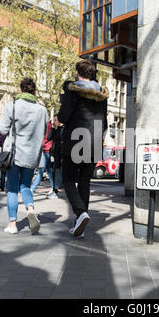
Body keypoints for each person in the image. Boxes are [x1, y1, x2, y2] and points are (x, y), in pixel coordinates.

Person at [58, 60, 108, 238]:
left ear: (78, 72)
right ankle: (80, 225)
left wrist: (60, 114)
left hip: (75, 140)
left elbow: (64, 117)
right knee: (85, 182)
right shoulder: (102, 95)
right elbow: (105, 123)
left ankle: (81, 213)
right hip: (93, 141)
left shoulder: (73, 91)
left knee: (68, 180)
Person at [0, 77, 48, 235]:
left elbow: (3, 130)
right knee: (25, 186)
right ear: (34, 91)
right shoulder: (42, 110)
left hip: (14, 154)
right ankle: (31, 209)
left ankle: (13, 224)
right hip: (32, 154)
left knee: (12, 189)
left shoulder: (12, 106)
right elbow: (45, 131)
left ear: (21, 90)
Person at [30, 119, 56, 198]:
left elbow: (43, 138)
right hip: (47, 150)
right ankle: (54, 188)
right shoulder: (49, 126)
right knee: (49, 171)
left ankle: (33, 188)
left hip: (45, 150)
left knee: (41, 170)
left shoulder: (45, 126)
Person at [48, 115, 63, 196]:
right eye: (54, 120)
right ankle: (55, 189)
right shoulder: (55, 130)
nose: (54, 122)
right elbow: (48, 138)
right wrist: (52, 128)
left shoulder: (63, 129)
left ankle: (56, 189)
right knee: (54, 172)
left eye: (56, 120)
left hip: (61, 155)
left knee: (58, 172)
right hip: (55, 154)